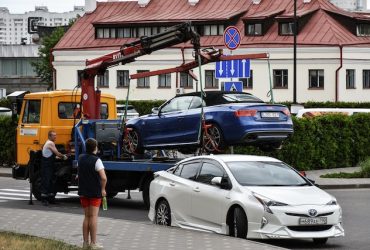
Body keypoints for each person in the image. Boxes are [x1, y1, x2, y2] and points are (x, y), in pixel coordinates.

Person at [78, 138, 107, 249]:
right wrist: (103, 189)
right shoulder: (97, 160)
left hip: (83, 191)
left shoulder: (80, 158)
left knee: (86, 216)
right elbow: (103, 178)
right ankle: (94, 243)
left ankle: (85, 243)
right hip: (95, 192)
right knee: (93, 217)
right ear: (95, 147)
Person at [41, 130, 68, 206]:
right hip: (47, 166)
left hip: (49, 165)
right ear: (49, 136)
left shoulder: (48, 142)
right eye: (54, 135)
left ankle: (51, 198)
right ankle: (44, 199)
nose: (55, 136)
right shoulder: (50, 143)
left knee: (51, 181)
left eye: (56, 135)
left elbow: (53, 155)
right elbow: (57, 153)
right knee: (47, 181)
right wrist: (64, 157)